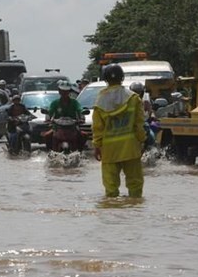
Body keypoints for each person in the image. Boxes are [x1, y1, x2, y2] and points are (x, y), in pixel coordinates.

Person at [92, 64, 147, 198]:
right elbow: (139, 124)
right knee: (135, 186)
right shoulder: (134, 98)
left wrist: (97, 146)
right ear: (122, 78)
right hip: (131, 148)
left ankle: (112, 214)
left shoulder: (100, 101)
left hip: (109, 150)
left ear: (105, 79)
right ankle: (134, 211)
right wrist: (142, 141)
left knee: (111, 188)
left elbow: (97, 128)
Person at [44, 81, 84, 150]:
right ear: (59, 91)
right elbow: (50, 112)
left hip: (72, 127)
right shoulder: (54, 103)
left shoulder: (74, 102)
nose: (64, 93)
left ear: (69, 92)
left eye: (66, 91)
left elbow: (80, 109)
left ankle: (80, 153)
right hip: (57, 127)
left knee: (84, 135)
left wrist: (82, 117)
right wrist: (48, 119)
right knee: (47, 135)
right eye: (62, 91)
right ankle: (50, 152)